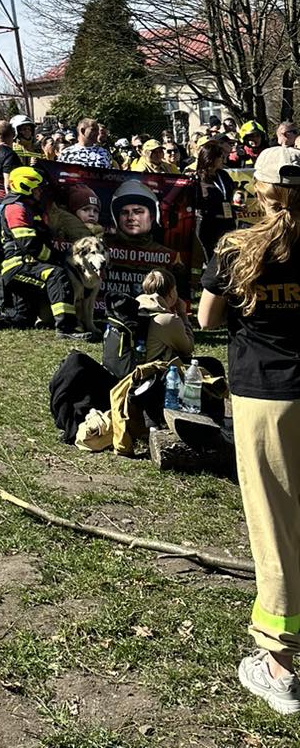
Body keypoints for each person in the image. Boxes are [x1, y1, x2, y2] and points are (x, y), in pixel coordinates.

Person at [198, 146, 300, 715]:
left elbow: (207, 318)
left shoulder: (235, 247)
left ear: (258, 191)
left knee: (274, 524)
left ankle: (278, 665)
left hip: (266, 396)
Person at [0, 166, 83, 337]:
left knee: (22, 318)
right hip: (18, 267)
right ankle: (66, 328)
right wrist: (55, 258)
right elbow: (29, 243)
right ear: (25, 187)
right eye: (37, 188)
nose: (41, 191)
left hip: (26, 265)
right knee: (57, 274)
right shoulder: (16, 209)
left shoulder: (29, 208)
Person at [136, 267, 194, 363]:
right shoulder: (168, 320)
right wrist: (183, 314)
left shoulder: (137, 308)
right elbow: (188, 348)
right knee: (212, 363)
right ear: (171, 293)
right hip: (152, 370)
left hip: (130, 367)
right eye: (175, 289)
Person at [193, 140, 237, 262]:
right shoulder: (197, 179)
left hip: (227, 222)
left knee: (229, 257)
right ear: (211, 159)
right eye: (220, 157)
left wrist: (235, 207)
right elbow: (196, 203)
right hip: (208, 225)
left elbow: (227, 197)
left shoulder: (223, 175)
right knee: (212, 260)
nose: (223, 159)